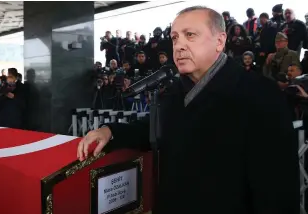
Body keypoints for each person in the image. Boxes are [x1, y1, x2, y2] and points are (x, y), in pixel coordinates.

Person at [77, 6, 299, 214]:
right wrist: (110, 131)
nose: (179, 45)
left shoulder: (260, 96)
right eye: (175, 38)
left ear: (220, 41)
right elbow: (156, 128)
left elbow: (277, 191)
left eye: (190, 35)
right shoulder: (174, 92)